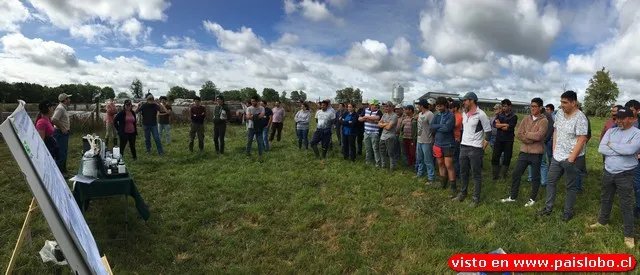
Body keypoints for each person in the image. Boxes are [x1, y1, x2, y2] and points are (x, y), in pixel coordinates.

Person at [590, 107, 640, 248]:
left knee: (626, 204)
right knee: (605, 198)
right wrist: (621, 148)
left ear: (631, 118)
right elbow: (601, 148)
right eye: (617, 118)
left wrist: (611, 145)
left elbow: (630, 150)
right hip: (608, 171)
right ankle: (602, 221)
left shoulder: (637, 134)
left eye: (622, 118)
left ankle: (629, 235)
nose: (618, 121)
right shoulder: (611, 130)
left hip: (625, 174)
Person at [538, 90, 588, 222]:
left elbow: (582, 139)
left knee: (570, 186)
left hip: (572, 158)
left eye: (565, 102)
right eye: (561, 102)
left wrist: (571, 158)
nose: (562, 105)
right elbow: (556, 131)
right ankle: (548, 207)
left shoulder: (581, 118)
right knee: (550, 180)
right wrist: (554, 149)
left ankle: (568, 212)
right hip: (557, 155)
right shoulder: (559, 113)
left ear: (574, 103)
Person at [500, 98, 548, 207]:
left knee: (535, 177)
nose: (532, 108)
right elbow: (518, 133)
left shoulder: (544, 121)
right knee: (516, 173)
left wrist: (527, 134)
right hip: (524, 152)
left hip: (536, 153)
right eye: (531, 106)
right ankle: (513, 196)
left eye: (534, 106)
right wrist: (530, 138)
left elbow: (540, 135)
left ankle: (533, 198)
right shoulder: (526, 119)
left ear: (540, 108)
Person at [456, 92, 492, 207]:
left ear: (472, 100)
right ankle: (463, 193)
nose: (463, 103)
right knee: (463, 172)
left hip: (475, 149)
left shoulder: (481, 114)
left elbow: (488, 132)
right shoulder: (464, 113)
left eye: (465, 100)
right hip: (463, 146)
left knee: (476, 175)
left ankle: (476, 198)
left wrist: (482, 147)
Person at [430, 97, 457, 197]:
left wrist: (438, 127)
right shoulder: (437, 115)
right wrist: (440, 126)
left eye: (440, 106)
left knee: (449, 165)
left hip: (448, 144)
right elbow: (431, 126)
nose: (438, 108)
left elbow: (447, 128)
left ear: (445, 105)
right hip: (437, 143)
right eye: (437, 106)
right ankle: (443, 184)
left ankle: (453, 187)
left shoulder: (451, 115)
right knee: (440, 163)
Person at [492, 99, 518, 181]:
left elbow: (509, 128)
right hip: (498, 139)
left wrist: (500, 125)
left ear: (510, 106)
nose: (503, 108)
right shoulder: (500, 115)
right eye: (503, 106)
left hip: (508, 140)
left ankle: (502, 175)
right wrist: (503, 124)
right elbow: (495, 125)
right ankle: (495, 175)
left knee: (507, 158)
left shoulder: (514, 116)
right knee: (495, 156)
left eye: (505, 106)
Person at [623, 100, 640, 217]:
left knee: (637, 183)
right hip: (623, 156)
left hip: (637, 158)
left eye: (632, 110)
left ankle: (638, 207)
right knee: (625, 182)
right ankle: (625, 203)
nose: (629, 112)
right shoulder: (622, 121)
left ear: (638, 110)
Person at [415, 99, 436, 185]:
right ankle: (420, 173)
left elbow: (433, 127)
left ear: (422, 106)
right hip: (419, 139)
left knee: (428, 160)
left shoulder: (430, 114)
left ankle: (431, 177)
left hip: (427, 140)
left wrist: (432, 138)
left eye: (418, 105)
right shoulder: (420, 114)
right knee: (420, 158)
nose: (417, 107)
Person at [52, 93, 72, 174]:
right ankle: (60, 174)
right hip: (60, 133)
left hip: (63, 133)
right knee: (61, 153)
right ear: (65, 100)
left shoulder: (63, 108)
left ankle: (63, 171)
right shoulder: (60, 108)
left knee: (63, 152)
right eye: (68, 98)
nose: (70, 100)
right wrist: (63, 128)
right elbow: (54, 119)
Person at [359, 99, 383, 167]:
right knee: (367, 148)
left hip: (374, 133)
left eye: (377, 105)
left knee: (375, 149)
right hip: (366, 132)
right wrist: (369, 119)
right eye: (375, 105)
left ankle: (378, 163)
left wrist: (366, 117)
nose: (377, 106)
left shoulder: (379, 111)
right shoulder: (365, 110)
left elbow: (377, 118)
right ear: (371, 105)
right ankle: (368, 162)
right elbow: (359, 119)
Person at [378, 101, 399, 173]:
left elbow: (389, 127)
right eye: (384, 106)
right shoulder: (384, 115)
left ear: (391, 107)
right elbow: (379, 124)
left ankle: (392, 168)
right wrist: (385, 124)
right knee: (381, 151)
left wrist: (383, 124)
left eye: (387, 106)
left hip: (390, 137)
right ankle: (383, 165)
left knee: (390, 153)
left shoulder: (394, 116)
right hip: (382, 136)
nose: (385, 108)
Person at [245, 96, 266, 160]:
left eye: (254, 101)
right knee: (249, 141)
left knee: (259, 141)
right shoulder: (249, 108)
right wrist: (257, 116)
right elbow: (248, 117)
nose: (252, 102)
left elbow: (262, 115)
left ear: (257, 101)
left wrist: (253, 116)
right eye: (251, 101)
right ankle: (247, 153)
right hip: (251, 127)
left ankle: (260, 154)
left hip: (259, 127)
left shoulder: (261, 108)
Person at [450, 101, 463, 178]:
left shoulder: (458, 116)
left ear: (455, 108)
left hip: (456, 138)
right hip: (451, 138)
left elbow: (454, 125)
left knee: (455, 157)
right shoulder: (452, 115)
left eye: (451, 108)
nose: (450, 109)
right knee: (452, 157)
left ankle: (456, 174)